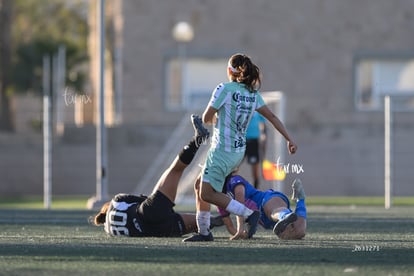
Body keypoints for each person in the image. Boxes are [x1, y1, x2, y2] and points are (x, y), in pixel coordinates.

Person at [183, 53, 297, 242]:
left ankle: (248, 214)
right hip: (237, 152)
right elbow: (273, 118)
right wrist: (289, 139)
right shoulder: (253, 95)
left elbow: (206, 118)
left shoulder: (224, 89)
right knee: (199, 185)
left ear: (230, 71)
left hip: (221, 151)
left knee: (206, 193)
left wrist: (215, 119)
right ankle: (204, 231)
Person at [93, 115, 222, 237]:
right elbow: (143, 199)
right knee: (175, 170)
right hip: (148, 213)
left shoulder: (110, 231)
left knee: (200, 222)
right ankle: (198, 139)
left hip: (157, 230)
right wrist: (162, 201)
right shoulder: (117, 201)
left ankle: (211, 222)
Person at [218, 174, 307, 240]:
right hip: (266, 222)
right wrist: (243, 234)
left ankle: (284, 216)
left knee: (273, 212)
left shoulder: (233, 180)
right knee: (299, 232)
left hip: (266, 199)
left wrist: (240, 229)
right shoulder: (218, 199)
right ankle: (300, 199)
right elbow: (230, 227)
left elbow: (239, 198)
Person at [244, 111, 266, 189]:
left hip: (254, 141)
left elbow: (263, 123)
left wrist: (263, 135)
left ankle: (255, 190)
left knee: (255, 170)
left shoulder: (257, 108)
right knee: (234, 167)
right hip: (242, 140)